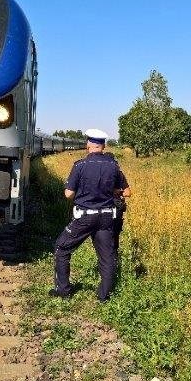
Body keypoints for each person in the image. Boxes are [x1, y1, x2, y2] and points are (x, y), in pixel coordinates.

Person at [50, 129, 130, 302]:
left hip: (85, 217)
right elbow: (126, 191)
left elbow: (68, 194)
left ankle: (63, 290)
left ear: (88, 145)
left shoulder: (80, 165)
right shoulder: (114, 166)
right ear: (103, 146)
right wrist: (111, 191)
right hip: (107, 217)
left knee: (61, 248)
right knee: (107, 256)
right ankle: (104, 296)